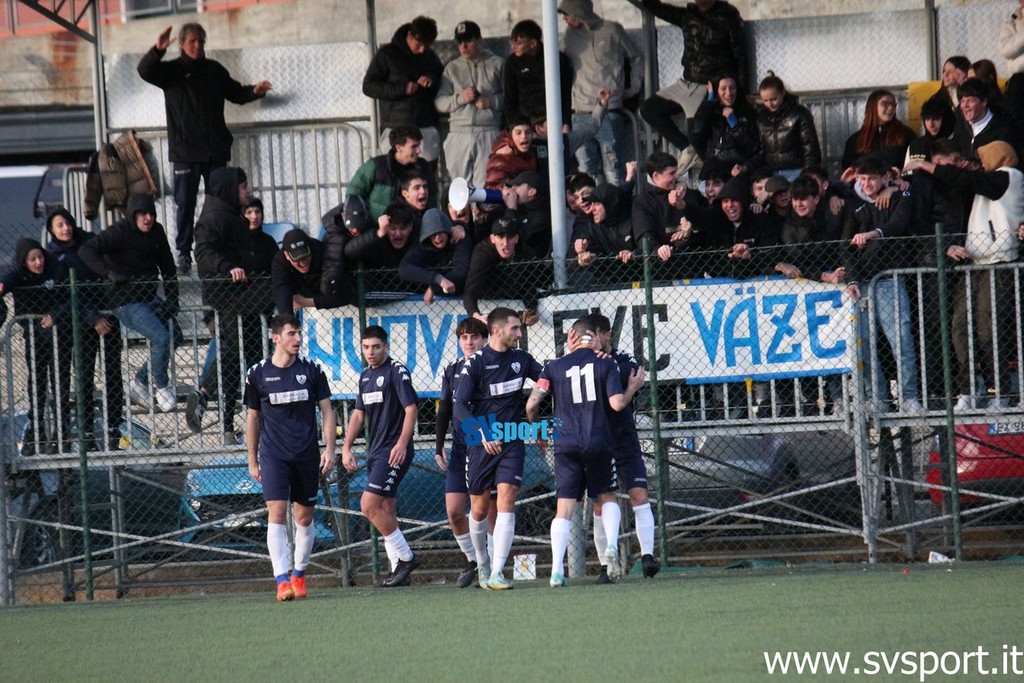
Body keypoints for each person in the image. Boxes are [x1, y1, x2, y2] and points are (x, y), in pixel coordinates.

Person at [137, 23, 272, 274]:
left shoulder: (214, 70)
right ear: (182, 44)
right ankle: (183, 253)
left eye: (201, 41)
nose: (197, 45)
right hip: (185, 153)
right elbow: (145, 71)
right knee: (185, 204)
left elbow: (236, 93)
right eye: (192, 41)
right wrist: (157, 50)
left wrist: (255, 91)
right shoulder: (171, 71)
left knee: (221, 204)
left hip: (215, 152)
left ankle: (222, 248)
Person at [525, 316, 644, 587]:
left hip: (565, 444)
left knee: (564, 508)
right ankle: (610, 546)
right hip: (598, 441)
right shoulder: (606, 363)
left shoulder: (553, 366)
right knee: (607, 496)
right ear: (593, 336)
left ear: (573, 338)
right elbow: (617, 404)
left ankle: (557, 571)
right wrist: (631, 389)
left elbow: (531, 405)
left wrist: (538, 427)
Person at [908, 141, 1024, 410]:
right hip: (974, 264)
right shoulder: (986, 183)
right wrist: (897, 186)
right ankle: (968, 389)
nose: (978, 166)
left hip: (999, 263)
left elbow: (964, 178)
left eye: (983, 160)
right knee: (959, 326)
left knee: (989, 329)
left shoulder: (1008, 177)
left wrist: (925, 164)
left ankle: (1000, 391)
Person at [243, 314, 335, 601]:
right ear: (276, 338)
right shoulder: (257, 374)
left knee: (304, 517)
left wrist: (330, 449)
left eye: (299, 333)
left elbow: (328, 411)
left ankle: (299, 574)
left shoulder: (312, 370)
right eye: (291, 334)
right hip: (273, 455)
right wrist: (252, 459)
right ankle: (281, 580)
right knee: (277, 512)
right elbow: (252, 418)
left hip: (306, 454)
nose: (298, 339)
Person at [453, 307, 542, 589]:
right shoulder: (476, 363)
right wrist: (481, 433)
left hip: (512, 439)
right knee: (479, 509)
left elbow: (548, 377)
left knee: (507, 498)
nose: (519, 333)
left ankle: (497, 571)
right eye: (514, 328)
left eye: (519, 328)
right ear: (496, 331)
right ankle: (482, 561)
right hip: (481, 441)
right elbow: (459, 405)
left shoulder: (521, 358)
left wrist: (535, 399)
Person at [191, 168, 277, 443]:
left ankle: (254, 422)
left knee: (249, 357)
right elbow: (203, 254)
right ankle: (221, 414)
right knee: (235, 353)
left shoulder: (231, 217)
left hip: (243, 299)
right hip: (231, 296)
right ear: (230, 189)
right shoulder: (214, 218)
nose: (247, 191)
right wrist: (228, 268)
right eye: (243, 187)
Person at [79, 193, 180, 413]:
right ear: (133, 215)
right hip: (125, 300)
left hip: (149, 296)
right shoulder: (119, 232)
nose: (148, 218)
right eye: (142, 214)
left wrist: (173, 298)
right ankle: (161, 386)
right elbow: (86, 250)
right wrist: (108, 273)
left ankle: (140, 381)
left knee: (175, 336)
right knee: (161, 338)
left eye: (151, 213)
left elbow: (168, 266)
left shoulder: (157, 232)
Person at [841, 155, 923, 414]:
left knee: (901, 341)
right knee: (863, 344)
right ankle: (876, 398)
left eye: (872, 179)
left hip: (890, 280)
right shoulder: (852, 204)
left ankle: (909, 397)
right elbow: (845, 247)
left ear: (885, 177)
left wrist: (873, 234)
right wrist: (852, 279)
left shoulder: (900, 195)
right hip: (862, 284)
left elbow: (898, 224)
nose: (866, 184)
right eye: (862, 179)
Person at [341, 326, 421, 587]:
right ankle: (398, 570)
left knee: (368, 505)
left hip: (393, 450)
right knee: (385, 508)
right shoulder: (365, 375)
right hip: (375, 451)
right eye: (366, 347)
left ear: (386, 346)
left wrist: (402, 444)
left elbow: (411, 409)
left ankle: (407, 559)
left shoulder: (397, 371)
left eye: (376, 347)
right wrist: (346, 447)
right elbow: (358, 414)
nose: (371, 352)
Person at [583, 313, 659, 581]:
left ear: (607, 335)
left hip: (624, 439)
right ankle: (606, 565)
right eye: (587, 337)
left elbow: (633, 372)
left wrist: (606, 364)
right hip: (597, 443)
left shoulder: (623, 359)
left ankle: (648, 556)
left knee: (639, 495)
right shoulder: (582, 363)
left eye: (595, 336)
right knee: (601, 504)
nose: (591, 341)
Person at [637, 0, 748, 175]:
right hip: (685, 82)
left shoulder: (728, 17)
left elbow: (741, 56)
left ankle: (710, 174)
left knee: (696, 131)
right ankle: (687, 148)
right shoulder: (688, 15)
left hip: (708, 85)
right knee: (648, 108)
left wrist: (741, 91)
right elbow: (660, 9)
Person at [45, 209, 125, 451]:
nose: (65, 228)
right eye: (59, 225)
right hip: (81, 324)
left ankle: (113, 428)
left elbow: (104, 276)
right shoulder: (53, 257)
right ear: (51, 230)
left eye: (67, 223)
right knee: (84, 378)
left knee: (113, 374)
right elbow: (68, 294)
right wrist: (92, 316)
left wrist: (103, 312)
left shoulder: (90, 243)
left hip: (107, 316)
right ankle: (87, 432)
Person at [434, 317, 493, 588]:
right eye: (464, 337)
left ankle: (492, 564)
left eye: (474, 337)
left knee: (486, 509)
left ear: (485, 339)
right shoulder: (452, 369)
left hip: (486, 446)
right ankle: (474, 560)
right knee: (454, 511)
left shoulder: (492, 366)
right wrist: (438, 446)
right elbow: (445, 408)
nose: (469, 342)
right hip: (459, 448)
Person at [558, 0, 643, 186]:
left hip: (609, 109)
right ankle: (590, 204)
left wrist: (633, 88)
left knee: (613, 167)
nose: (565, 19)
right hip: (580, 110)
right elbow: (562, 66)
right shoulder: (569, 35)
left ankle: (617, 204)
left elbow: (637, 57)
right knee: (585, 168)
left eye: (567, 14)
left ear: (579, 11)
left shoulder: (612, 30)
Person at [0, 239, 70, 456]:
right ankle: (36, 428)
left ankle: (61, 431)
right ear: (24, 261)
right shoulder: (18, 273)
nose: (38, 262)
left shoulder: (55, 268)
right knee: (37, 381)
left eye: (40, 257)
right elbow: (8, 277)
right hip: (35, 335)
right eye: (32, 259)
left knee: (60, 382)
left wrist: (55, 315)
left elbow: (70, 298)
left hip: (59, 334)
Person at [362, 16, 444, 166]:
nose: (422, 50)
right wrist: (401, 89)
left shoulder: (430, 56)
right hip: (396, 128)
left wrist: (431, 79)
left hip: (425, 127)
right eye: (419, 45)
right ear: (409, 35)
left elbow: (442, 79)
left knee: (425, 175)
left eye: (426, 46)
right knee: (396, 175)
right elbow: (369, 86)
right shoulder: (386, 54)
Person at [435, 21, 505, 188]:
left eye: (468, 41)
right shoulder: (452, 68)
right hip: (458, 132)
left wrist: (491, 102)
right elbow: (439, 102)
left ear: (479, 39)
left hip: (489, 131)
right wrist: (461, 98)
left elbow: (511, 98)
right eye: (460, 42)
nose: (463, 46)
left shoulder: (498, 64)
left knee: (487, 184)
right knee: (460, 186)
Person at [348, 126, 438, 221]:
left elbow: (432, 198)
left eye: (419, 145)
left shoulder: (423, 167)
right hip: (376, 226)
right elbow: (353, 195)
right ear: (399, 147)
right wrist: (361, 222)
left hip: (413, 226)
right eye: (414, 146)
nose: (419, 150)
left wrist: (429, 222)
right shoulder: (375, 166)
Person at [462, 216, 538, 322]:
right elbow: (470, 291)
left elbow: (528, 286)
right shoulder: (482, 253)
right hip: (487, 297)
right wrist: (477, 316)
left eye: (510, 237)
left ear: (516, 238)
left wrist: (532, 310)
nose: (505, 243)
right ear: (492, 238)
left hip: (512, 296)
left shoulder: (526, 254)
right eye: (500, 237)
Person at [503, 19, 574, 129]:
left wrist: (566, 123)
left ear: (533, 43)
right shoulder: (512, 62)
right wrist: (514, 125)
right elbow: (509, 97)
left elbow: (566, 93)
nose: (513, 47)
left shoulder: (557, 59)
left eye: (518, 43)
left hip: (553, 120)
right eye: (512, 42)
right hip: (524, 122)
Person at [690, 73, 763, 177]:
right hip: (714, 171)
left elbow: (753, 148)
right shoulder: (711, 113)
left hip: (737, 172)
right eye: (723, 89)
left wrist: (735, 126)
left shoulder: (748, 113)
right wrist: (708, 102)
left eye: (732, 88)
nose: (728, 93)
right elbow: (696, 135)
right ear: (716, 91)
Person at [398, 207, 473, 303]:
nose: (437, 237)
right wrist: (437, 279)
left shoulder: (459, 238)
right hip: (428, 301)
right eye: (433, 234)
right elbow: (404, 269)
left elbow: (461, 270)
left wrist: (433, 288)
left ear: (447, 230)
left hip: (462, 295)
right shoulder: (422, 245)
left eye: (440, 232)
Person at [756, 72, 822, 180]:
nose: (770, 104)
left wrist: (808, 174)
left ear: (783, 93)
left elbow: (810, 147)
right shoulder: (762, 117)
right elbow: (761, 149)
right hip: (771, 172)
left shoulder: (799, 113)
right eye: (765, 100)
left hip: (796, 170)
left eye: (773, 99)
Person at [271, 228, 348, 315]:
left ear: (309, 248)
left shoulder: (321, 251)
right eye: (297, 259)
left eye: (306, 257)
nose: (303, 263)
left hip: (325, 298)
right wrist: (288, 318)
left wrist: (306, 302)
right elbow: (281, 292)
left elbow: (344, 294)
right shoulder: (279, 261)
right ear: (287, 256)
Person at [842, 90, 916, 173]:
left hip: (899, 180)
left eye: (893, 104)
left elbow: (915, 162)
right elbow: (848, 167)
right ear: (873, 107)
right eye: (885, 104)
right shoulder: (856, 140)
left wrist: (901, 172)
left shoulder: (906, 134)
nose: (891, 108)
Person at [484, 115, 538, 190]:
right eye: (518, 133)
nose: (524, 136)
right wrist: (512, 191)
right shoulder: (501, 159)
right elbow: (491, 188)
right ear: (510, 135)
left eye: (528, 132)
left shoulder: (533, 152)